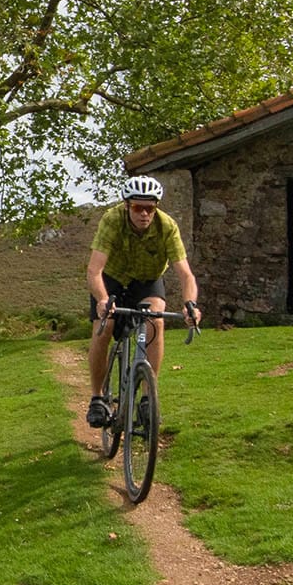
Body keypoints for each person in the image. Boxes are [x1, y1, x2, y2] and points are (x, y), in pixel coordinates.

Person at [86, 175, 201, 426]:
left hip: (147, 280)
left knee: (155, 320)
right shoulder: (112, 221)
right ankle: (97, 398)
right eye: (138, 208)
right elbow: (94, 271)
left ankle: (148, 399)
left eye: (150, 208)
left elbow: (185, 274)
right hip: (112, 278)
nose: (144, 214)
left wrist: (190, 304)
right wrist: (103, 299)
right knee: (102, 330)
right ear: (127, 206)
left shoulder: (167, 226)